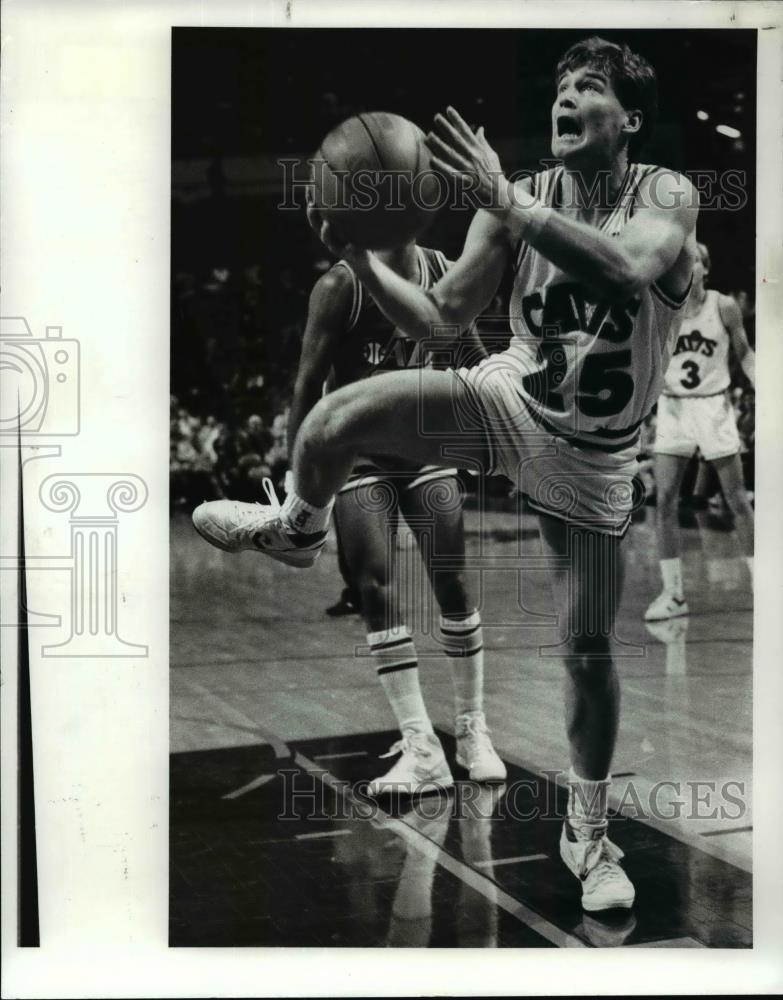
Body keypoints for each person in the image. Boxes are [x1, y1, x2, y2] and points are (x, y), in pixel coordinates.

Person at [194, 36, 698, 912]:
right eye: (559, 86)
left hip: (596, 455)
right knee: (337, 418)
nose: (565, 97)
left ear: (630, 120)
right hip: (514, 401)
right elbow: (438, 318)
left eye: (588, 88)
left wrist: (505, 197)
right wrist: (360, 254)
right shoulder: (513, 205)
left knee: (586, 654)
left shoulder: (666, 192)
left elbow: (622, 272)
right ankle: (297, 530)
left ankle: (586, 832)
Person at [645, 242, 755, 621]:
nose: (688, 268)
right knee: (664, 502)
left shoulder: (723, 306)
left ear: (707, 269)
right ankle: (674, 595)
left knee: (737, 500)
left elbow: (743, 353)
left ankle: (764, 587)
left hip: (713, 406)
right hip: (673, 406)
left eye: (695, 261)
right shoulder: (661, 310)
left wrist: (764, 387)